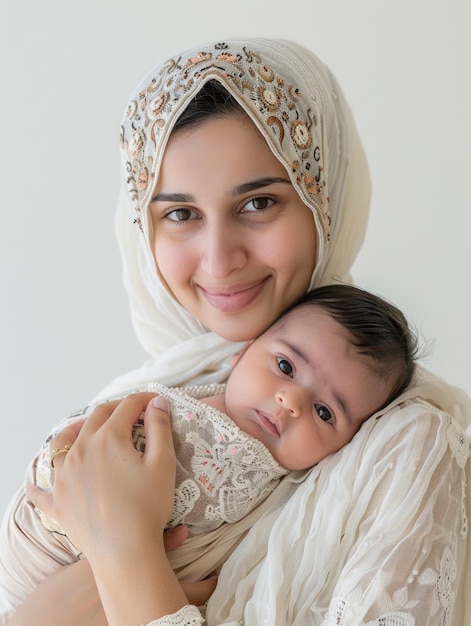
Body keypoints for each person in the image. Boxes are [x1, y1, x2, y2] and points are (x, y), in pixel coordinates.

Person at [1, 37, 470, 626]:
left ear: (325, 202)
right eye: (180, 213)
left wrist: (125, 556)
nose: (220, 260)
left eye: (258, 204)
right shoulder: (171, 382)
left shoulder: (406, 443)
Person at [3, 283, 418, 604]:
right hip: (47, 544)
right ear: (242, 352)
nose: (290, 401)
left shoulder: (290, 502)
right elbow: (84, 441)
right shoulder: (177, 402)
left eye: (325, 412)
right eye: (286, 366)